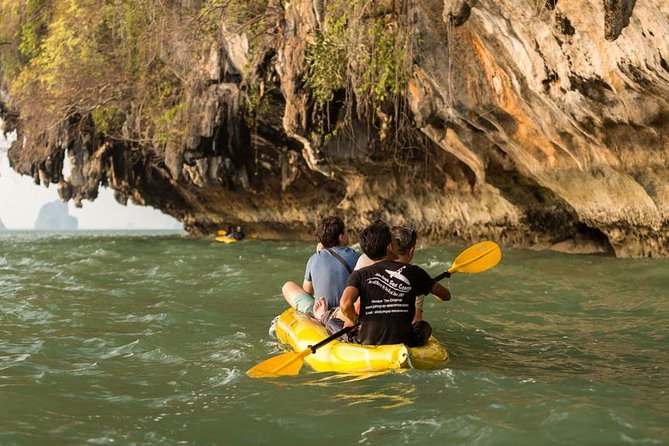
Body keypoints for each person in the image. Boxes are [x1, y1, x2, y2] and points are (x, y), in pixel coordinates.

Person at [339, 220, 451, 347]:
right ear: (390, 247)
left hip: (366, 340)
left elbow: (345, 305)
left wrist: (355, 321)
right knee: (424, 326)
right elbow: (446, 296)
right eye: (393, 241)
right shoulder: (414, 272)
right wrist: (427, 284)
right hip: (405, 342)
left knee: (333, 323)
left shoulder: (359, 274)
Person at [281, 216, 360, 315]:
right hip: (346, 311)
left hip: (322, 310)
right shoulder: (355, 256)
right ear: (341, 237)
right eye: (346, 231)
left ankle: (318, 315)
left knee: (287, 286)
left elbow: (307, 291)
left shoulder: (313, 259)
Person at [389, 225, 425, 324]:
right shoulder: (416, 276)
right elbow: (416, 320)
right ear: (411, 250)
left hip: (365, 332)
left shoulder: (368, 261)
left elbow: (356, 308)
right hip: (396, 334)